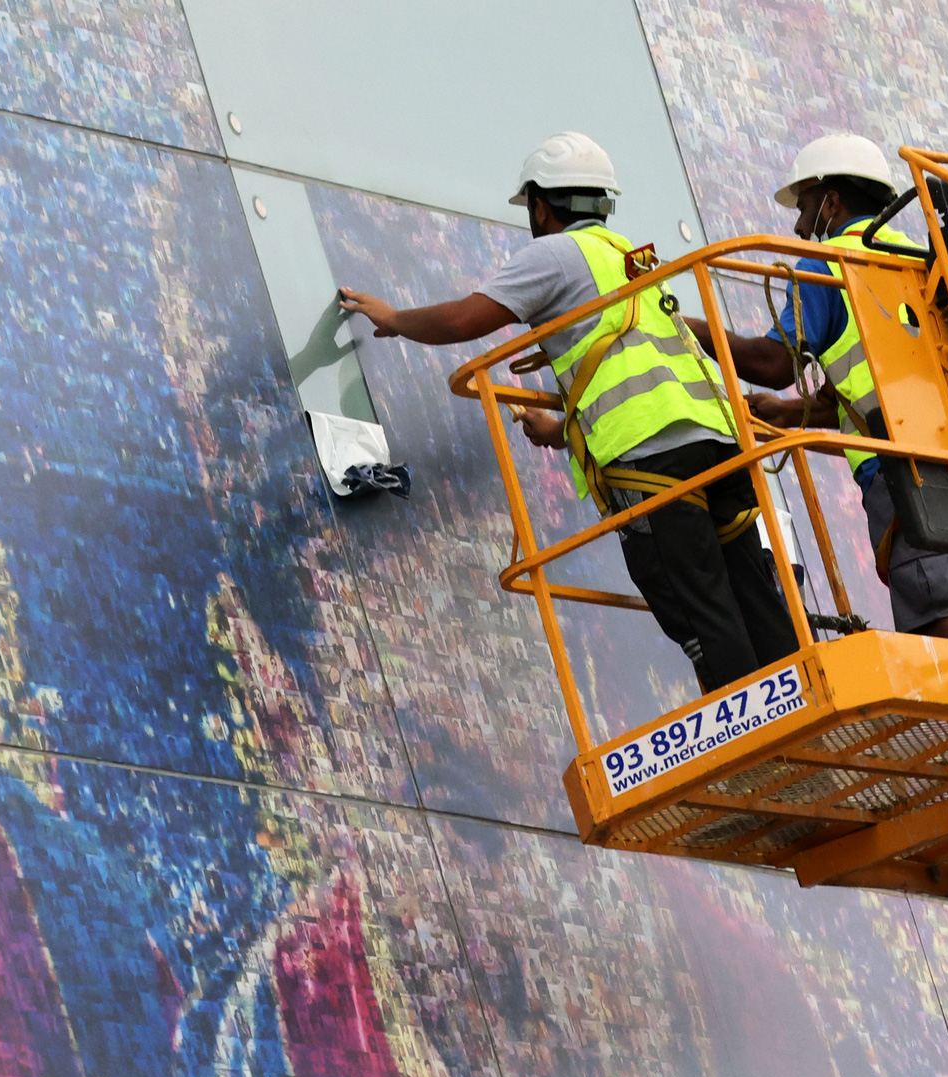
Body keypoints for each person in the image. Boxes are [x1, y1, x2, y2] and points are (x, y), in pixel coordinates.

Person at [339, 132, 798, 694]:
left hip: (652, 462)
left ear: (540, 204)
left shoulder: (554, 255)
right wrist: (562, 431)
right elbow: (634, 377)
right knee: (754, 593)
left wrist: (395, 318)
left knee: (701, 608)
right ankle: (807, 716)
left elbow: (463, 322)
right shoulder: (631, 259)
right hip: (718, 445)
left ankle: (756, 742)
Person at [695, 134, 948, 646]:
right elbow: (889, 375)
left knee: (943, 620)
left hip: (907, 470)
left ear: (831, 202)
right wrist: (793, 412)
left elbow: (776, 362)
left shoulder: (826, 265)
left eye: (804, 207)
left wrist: (698, 330)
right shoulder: (916, 259)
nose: (800, 226)